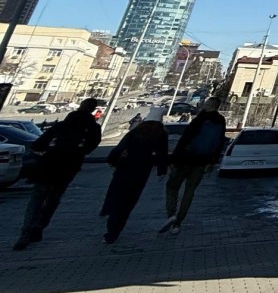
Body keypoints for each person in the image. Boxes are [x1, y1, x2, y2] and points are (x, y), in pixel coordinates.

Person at [13, 98, 103, 250]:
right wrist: (78, 153)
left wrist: (47, 151)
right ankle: (39, 226)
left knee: (36, 200)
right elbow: (90, 147)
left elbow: (38, 144)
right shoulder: (93, 128)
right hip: (68, 168)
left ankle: (25, 233)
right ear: (93, 110)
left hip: (48, 166)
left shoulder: (61, 125)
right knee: (53, 199)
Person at [159, 97, 226, 235]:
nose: (203, 104)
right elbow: (220, 142)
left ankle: (171, 214)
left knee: (172, 186)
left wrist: (174, 159)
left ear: (209, 105)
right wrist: (212, 162)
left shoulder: (200, 119)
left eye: (206, 103)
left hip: (185, 159)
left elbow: (185, 139)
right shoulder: (220, 120)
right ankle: (178, 222)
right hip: (202, 162)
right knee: (189, 192)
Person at [100, 107, 168, 243]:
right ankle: (114, 231)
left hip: (124, 168)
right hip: (141, 171)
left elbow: (119, 148)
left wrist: (112, 161)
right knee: (128, 202)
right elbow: (162, 154)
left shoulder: (136, 131)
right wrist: (162, 171)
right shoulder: (161, 134)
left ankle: (110, 215)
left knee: (115, 194)